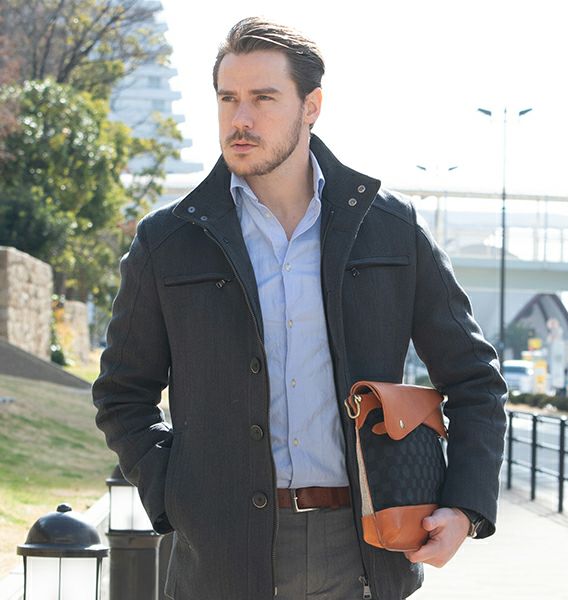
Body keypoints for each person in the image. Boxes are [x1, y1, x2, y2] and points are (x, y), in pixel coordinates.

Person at [93, 17, 507, 600]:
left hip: (363, 550)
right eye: (228, 99)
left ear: (311, 107)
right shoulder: (167, 241)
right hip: (221, 556)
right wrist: (175, 494)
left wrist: (464, 505)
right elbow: (122, 393)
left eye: (263, 98)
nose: (240, 118)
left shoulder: (390, 229)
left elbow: (475, 380)